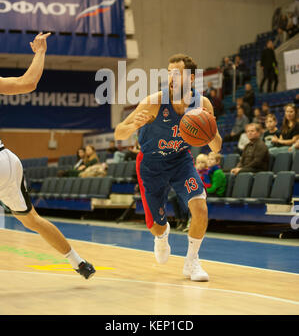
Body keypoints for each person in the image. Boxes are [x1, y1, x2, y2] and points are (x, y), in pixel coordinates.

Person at [114, 53, 222, 282]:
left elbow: (217, 146)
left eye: (177, 73)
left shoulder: (201, 104)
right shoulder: (154, 102)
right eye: (169, 72)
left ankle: (192, 262)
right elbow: (119, 133)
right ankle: (161, 237)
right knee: (157, 227)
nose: (171, 77)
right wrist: (136, 123)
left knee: (200, 208)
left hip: (181, 161)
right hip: (151, 165)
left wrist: (209, 130)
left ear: (191, 79)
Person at [0, 33, 95, 279]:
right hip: (6, 161)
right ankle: (79, 261)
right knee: (32, 220)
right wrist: (40, 52)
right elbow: (28, 83)